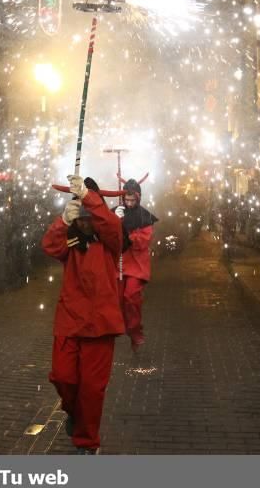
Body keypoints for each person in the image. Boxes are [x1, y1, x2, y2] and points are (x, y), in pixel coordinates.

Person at [41, 175, 124, 455]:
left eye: (91, 212)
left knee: (91, 389)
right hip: (69, 319)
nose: (86, 219)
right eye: (82, 214)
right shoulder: (71, 238)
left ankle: (87, 443)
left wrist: (89, 197)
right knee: (62, 376)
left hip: (101, 324)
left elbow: (111, 226)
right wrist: (63, 220)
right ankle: (74, 413)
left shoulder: (110, 241)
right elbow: (50, 246)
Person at [113, 178, 158, 352]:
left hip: (137, 265)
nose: (129, 203)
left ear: (138, 199)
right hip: (120, 263)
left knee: (131, 296)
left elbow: (144, 241)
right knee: (117, 298)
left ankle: (134, 330)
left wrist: (129, 237)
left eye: (133, 200)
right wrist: (115, 221)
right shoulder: (117, 212)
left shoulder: (144, 217)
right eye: (127, 200)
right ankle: (122, 327)